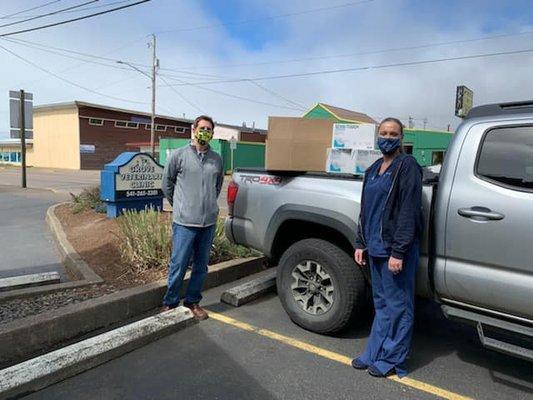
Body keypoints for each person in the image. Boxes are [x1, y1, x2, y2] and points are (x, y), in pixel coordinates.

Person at [351, 117, 423, 378]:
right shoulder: (372, 169)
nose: (388, 137)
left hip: (395, 249)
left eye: (393, 134)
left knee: (399, 306)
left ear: (401, 137)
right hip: (374, 247)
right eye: (383, 133)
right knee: (381, 303)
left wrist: (399, 251)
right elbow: (365, 209)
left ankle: (393, 358)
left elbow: (409, 211)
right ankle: (374, 351)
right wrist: (360, 242)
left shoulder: (407, 166)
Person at [161, 115, 224, 320]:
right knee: (178, 263)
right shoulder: (178, 156)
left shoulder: (217, 159)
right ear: (193, 129)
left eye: (209, 129)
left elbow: (217, 186)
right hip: (185, 222)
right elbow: (167, 184)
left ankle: (193, 301)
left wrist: (209, 206)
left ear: (212, 134)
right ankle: (170, 303)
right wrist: (179, 205)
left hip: (208, 223)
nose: (205, 132)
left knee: (201, 266)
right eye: (202, 128)